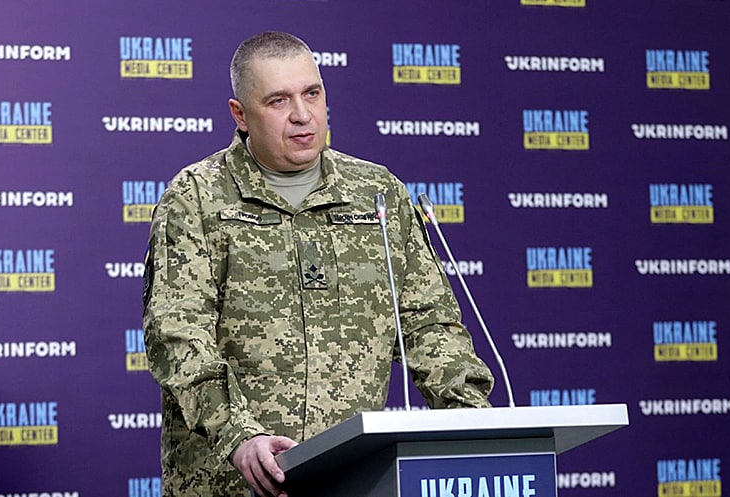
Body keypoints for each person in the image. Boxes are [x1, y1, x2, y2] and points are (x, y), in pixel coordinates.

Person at [142, 31, 494, 497]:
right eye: (278, 100)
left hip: (354, 481)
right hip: (233, 485)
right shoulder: (196, 198)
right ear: (240, 114)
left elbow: (429, 325)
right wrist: (239, 436)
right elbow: (177, 335)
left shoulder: (378, 194)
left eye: (312, 93)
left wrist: (474, 423)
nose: (302, 115)